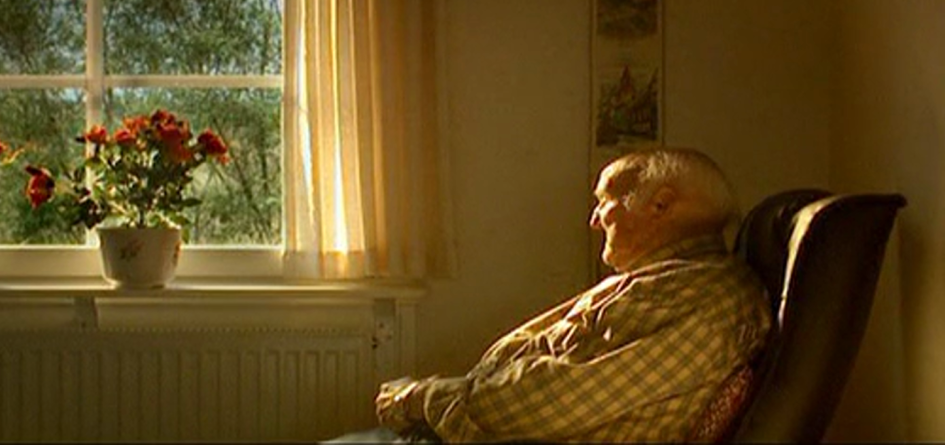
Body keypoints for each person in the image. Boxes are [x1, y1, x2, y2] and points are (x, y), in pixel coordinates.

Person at [329, 147, 772, 443]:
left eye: (605, 201)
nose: (594, 220)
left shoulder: (712, 298)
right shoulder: (667, 280)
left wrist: (422, 398)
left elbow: (549, 403)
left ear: (660, 204)